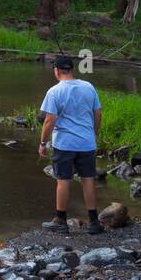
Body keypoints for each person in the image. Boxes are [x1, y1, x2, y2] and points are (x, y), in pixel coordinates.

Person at [38, 55, 104, 234]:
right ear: (73, 70)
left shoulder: (54, 91)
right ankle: (93, 222)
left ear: (57, 71)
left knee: (63, 180)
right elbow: (97, 114)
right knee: (88, 179)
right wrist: (93, 134)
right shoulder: (89, 87)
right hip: (87, 143)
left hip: (65, 144)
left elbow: (49, 120)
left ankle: (60, 220)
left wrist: (43, 142)